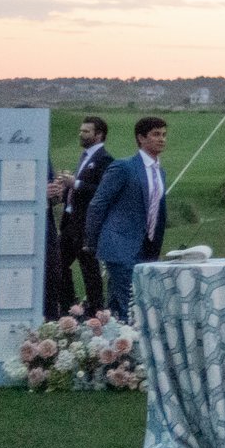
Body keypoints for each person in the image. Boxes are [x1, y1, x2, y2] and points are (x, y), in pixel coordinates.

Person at [83, 115, 170, 317]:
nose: (162, 139)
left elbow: (157, 211)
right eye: (156, 134)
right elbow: (98, 204)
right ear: (141, 138)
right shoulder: (124, 167)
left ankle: (112, 345)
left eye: (164, 135)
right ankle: (129, 346)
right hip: (119, 245)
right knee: (130, 306)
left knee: (116, 306)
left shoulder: (160, 172)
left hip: (146, 248)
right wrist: (94, 241)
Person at [46, 116, 112, 316]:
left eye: (86, 131)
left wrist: (75, 183)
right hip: (69, 222)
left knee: (89, 269)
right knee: (59, 265)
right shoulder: (84, 156)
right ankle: (69, 305)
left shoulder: (105, 159)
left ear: (98, 135)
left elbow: (102, 191)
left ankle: (96, 310)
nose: (81, 134)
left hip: (85, 224)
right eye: (81, 130)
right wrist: (63, 190)